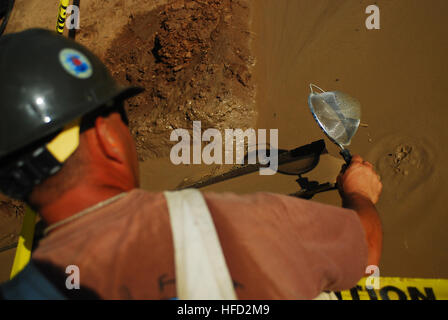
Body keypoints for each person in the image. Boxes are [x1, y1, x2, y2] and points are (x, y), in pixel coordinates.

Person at [0, 28, 382, 300]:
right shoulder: (236, 225)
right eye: (122, 117)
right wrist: (360, 193)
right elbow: (364, 249)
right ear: (106, 138)